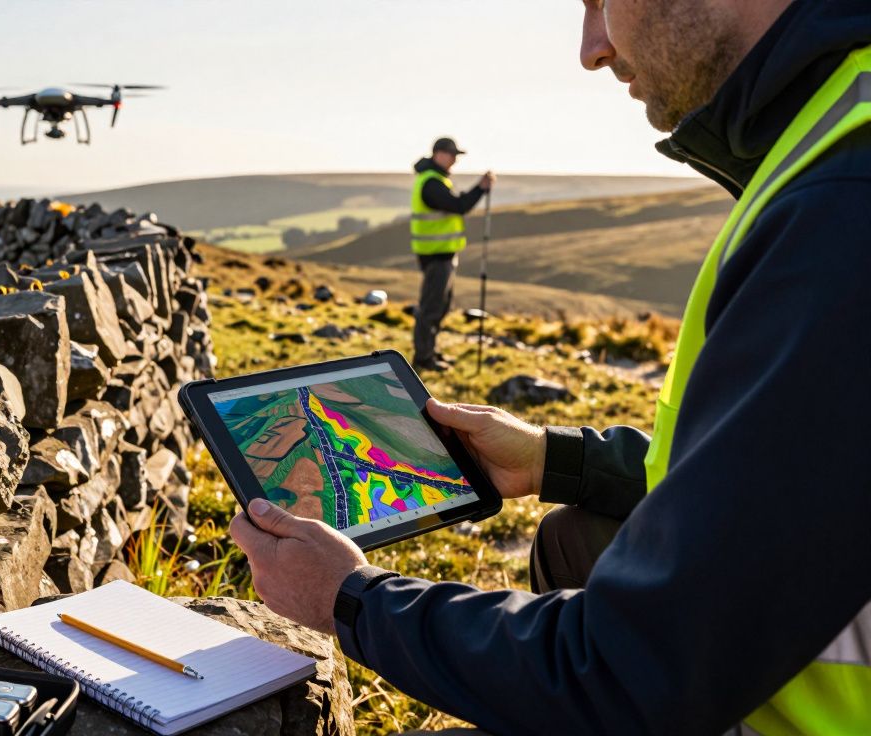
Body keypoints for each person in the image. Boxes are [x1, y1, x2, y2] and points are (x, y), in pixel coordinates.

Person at [229, 0, 871, 733]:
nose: (591, 49)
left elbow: (630, 672)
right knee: (572, 533)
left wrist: (351, 597)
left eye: (601, 0)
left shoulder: (842, 205)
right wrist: (550, 457)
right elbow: (780, 464)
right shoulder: (831, 141)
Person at [410, 138, 495, 372]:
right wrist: (480, 188)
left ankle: (430, 353)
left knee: (440, 307)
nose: (455, 160)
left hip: (442, 253)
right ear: (438, 154)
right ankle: (424, 358)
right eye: (451, 154)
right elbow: (458, 206)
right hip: (436, 254)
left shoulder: (435, 179)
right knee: (431, 308)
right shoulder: (431, 183)